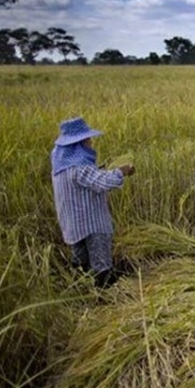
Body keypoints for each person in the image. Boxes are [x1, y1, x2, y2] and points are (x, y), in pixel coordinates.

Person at [50, 117, 135, 289]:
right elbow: (102, 182)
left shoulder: (61, 168)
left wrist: (102, 170)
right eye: (88, 140)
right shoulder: (80, 168)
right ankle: (103, 295)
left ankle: (81, 291)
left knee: (80, 261)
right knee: (101, 263)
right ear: (78, 144)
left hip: (72, 225)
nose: (90, 142)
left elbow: (89, 180)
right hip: (92, 224)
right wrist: (121, 171)